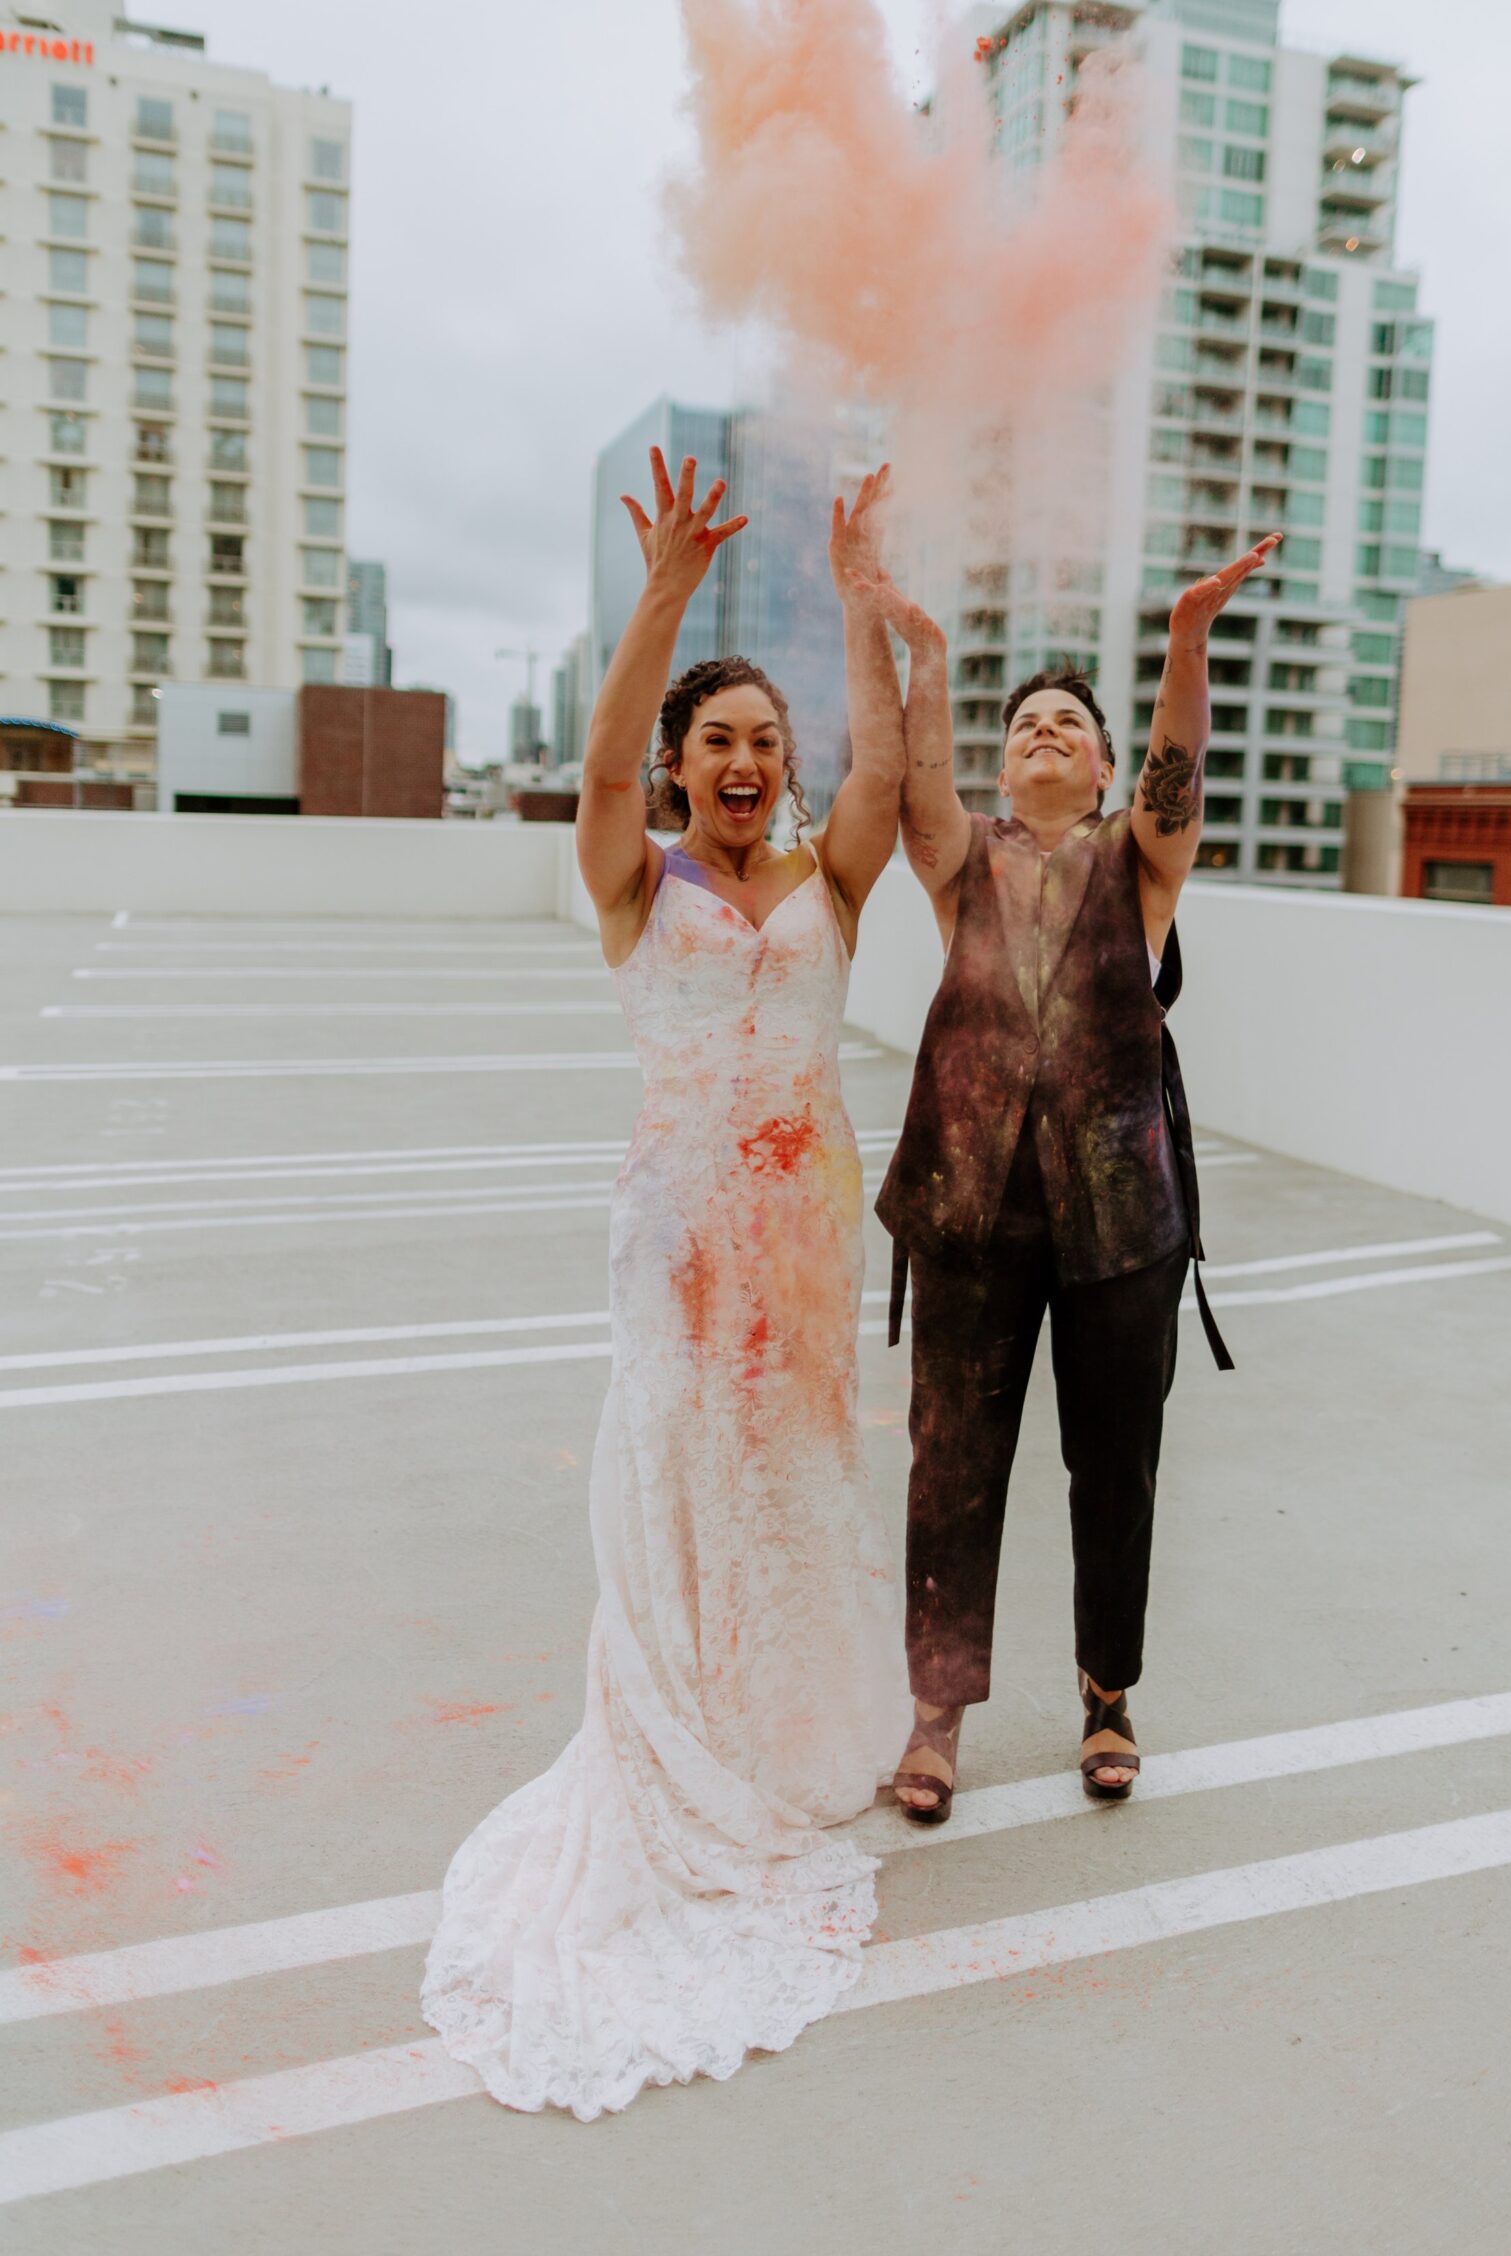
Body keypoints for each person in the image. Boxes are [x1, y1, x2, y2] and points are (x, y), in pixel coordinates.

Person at [422, 449, 912, 2116]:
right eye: (724, 742)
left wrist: (854, 597)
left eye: (766, 744)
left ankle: (782, 1728)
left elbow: (890, 759)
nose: (749, 764)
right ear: (682, 769)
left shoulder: (831, 877)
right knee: (678, 1465)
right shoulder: (638, 881)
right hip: (678, 1231)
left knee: (792, 1468)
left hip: (808, 1226)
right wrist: (666, 598)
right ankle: (682, 1742)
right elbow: (607, 759)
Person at [853, 537, 1278, 1822]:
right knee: (953, 1460)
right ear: (1001, 765)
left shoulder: (1139, 862)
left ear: (1102, 768)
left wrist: (1190, 636)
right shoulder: (960, 858)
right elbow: (912, 785)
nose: (1047, 731)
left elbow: (1181, 765)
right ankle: (936, 1714)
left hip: (1118, 1219)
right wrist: (924, 653)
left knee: (1118, 1464)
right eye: (1027, 721)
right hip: (971, 1210)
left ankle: (1106, 1691)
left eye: (1070, 724)